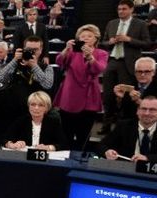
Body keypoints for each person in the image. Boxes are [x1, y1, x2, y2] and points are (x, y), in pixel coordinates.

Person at [53, 24, 108, 150]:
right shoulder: (72, 52)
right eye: (83, 36)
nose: (86, 38)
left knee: (83, 135)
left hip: (89, 96)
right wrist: (66, 49)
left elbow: (99, 68)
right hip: (69, 94)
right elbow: (59, 62)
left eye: (89, 36)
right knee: (66, 132)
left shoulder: (101, 53)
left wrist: (90, 57)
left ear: (96, 38)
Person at [100, 0, 151, 135]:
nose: (121, 11)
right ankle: (106, 125)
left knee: (126, 97)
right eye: (119, 9)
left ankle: (122, 126)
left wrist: (129, 40)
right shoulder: (112, 23)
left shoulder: (140, 24)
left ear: (131, 9)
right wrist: (109, 42)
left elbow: (147, 43)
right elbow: (103, 42)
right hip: (112, 61)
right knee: (108, 96)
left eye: (124, 9)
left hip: (128, 63)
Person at [0, 35, 53, 119]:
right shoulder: (15, 64)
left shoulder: (47, 68)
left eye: (35, 50)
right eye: (29, 49)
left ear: (41, 50)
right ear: (24, 48)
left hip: (36, 110)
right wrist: (14, 60)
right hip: (14, 109)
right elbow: (1, 79)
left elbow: (47, 84)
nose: (32, 52)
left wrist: (34, 66)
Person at [3, 91, 67, 151]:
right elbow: (3, 139)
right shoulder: (21, 121)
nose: (36, 108)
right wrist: (11, 145)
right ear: (29, 106)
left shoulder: (53, 123)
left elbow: (64, 144)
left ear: (47, 108)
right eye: (33, 104)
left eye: (41, 105)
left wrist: (49, 147)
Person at [100, 96, 157, 162]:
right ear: (137, 111)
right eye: (144, 109)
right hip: (125, 169)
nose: (147, 113)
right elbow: (101, 145)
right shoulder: (124, 125)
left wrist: (147, 158)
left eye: (152, 110)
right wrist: (107, 152)